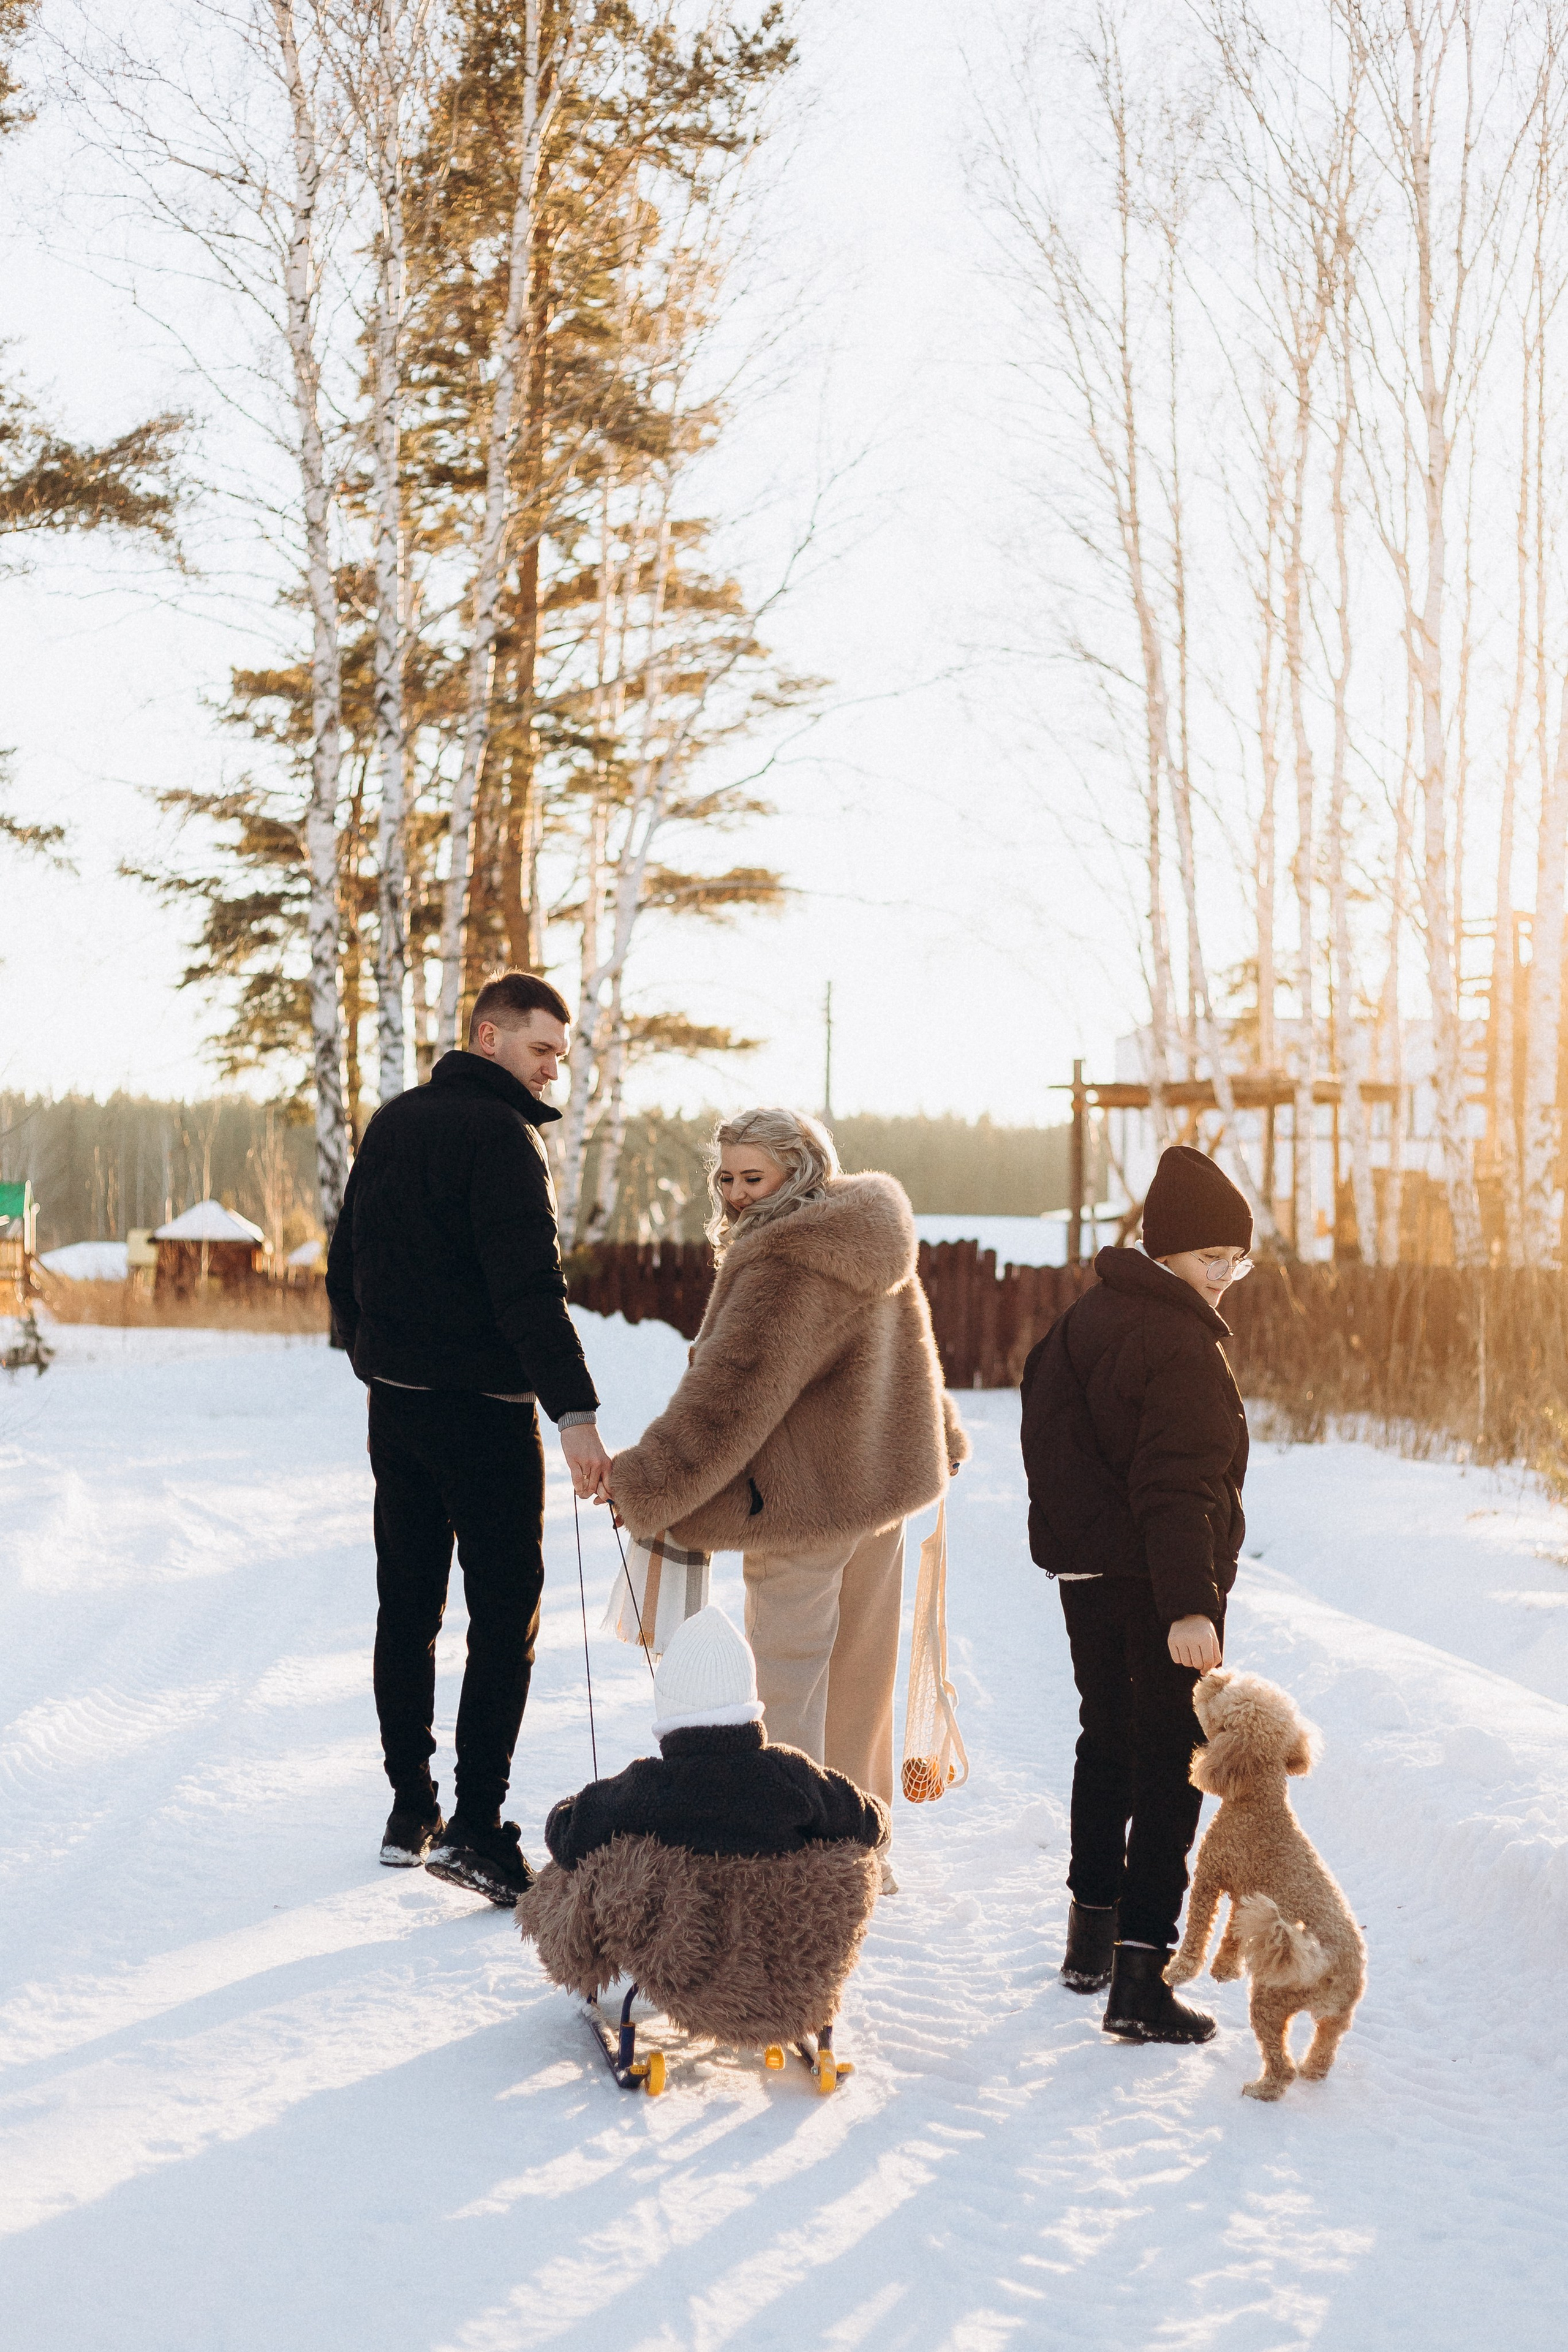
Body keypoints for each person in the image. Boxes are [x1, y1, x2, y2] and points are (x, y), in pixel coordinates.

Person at [605, 1109, 967, 1877]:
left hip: (803, 1506)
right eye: (727, 1178)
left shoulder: (785, 1264)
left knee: (789, 1682)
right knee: (861, 1678)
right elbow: (914, 1353)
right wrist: (943, 1438)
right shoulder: (870, 1238)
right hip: (877, 1498)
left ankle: (800, 1856)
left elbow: (731, 1395)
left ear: (800, 1171)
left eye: (753, 1178)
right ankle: (862, 1846)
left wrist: (646, 1480)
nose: (736, 1196)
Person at [325, 970, 613, 1904]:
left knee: (406, 1606)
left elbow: (344, 1258)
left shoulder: (397, 1121)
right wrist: (574, 1416)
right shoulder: (502, 1140)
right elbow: (532, 1291)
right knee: (504, 1614)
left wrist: (369, 1356)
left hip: (399, 1407)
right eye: (541, 1052)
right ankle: (480, 1829)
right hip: (485, 1416)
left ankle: (412, 1809)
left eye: (559, 1060)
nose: (551, 1074)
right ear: (488, 1038)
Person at [1019, 1142, 1251, 2045]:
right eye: (1213, 1259)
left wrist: (1084, 1545)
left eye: (1237, 1260)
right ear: (1170, 1255)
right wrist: (1190, 1603)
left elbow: (1051, 1444)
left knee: (1105, 1738)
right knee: (1169, 1762)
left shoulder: (1083, 1320)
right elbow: (1176, 1483)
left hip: (1089, 1576)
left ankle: (1091, 1936)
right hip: (1160, 1584)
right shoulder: (1180, 1340)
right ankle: (1142, 1976)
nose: (1226, 1277)